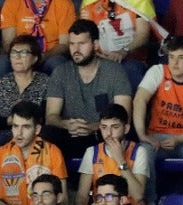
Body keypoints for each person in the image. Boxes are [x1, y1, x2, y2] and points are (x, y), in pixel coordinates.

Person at [131, 36, 183, 197]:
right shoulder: (158, 71)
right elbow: (140, 99)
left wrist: (179, 139)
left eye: (181, 58)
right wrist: (142, 134)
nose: (175, 63)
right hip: (158, 138)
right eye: (171, 57)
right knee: (142, 150)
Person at [45, 20, 133, 160]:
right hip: (70, 135)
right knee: (47, 133)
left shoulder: (115, 71)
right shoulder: (61, 71)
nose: (76, 49)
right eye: (72, 44)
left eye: (82, 44)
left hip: (101, 135)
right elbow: (51, 116)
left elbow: (123, 117)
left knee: (118, 135)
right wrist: (66, 124)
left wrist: (92, 127)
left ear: (95, 44)